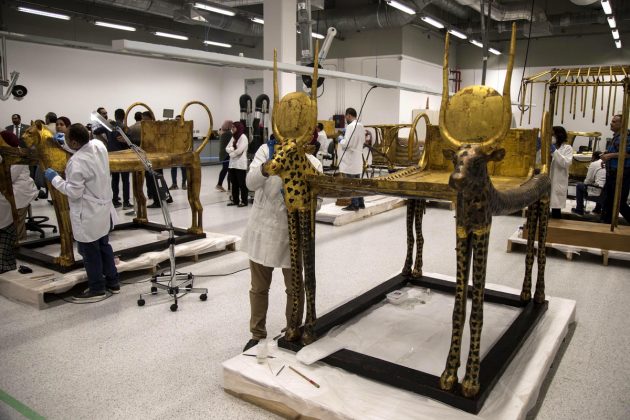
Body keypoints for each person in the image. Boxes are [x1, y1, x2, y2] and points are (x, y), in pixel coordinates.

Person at [241, 138, 323, 351]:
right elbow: (250, 183)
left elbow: (317, 203)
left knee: (294, 288)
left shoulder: (313, 162)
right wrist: (268, 167)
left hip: (292, 235)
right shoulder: (266, 151)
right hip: (262, 228)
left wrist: (302, 200)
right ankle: (257, 333)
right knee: (259, 288)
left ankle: (292, 328)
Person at [44, 124, 120, 302]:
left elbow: (73, 192)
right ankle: (113, 282)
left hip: (87, 213)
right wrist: (64, 143)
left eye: (67, 139)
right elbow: (85, 147)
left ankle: (97, 288)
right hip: (102, 209)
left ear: (74, 142)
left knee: (90, 252)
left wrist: (55, 179)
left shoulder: (75, 163)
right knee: (104, 246)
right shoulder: (99, 146)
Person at [0, 130, 38, 242]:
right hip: (11, 190)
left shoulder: (18, 155)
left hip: (20, 191)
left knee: (17, 226)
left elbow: (9, 178)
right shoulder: (7, 153)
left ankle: (19, 243)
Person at [600, 114, 630, 224]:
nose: (611, 123)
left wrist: (609, 156)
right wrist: (606, 156)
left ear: (622, 123)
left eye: (614, 122)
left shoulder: (625, 136)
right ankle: (606, 224)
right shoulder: (617, 136)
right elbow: (617, 152)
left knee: (619, 202)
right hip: (613, 172)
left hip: (621, 173)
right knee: (609, 201)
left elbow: (627, 154)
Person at [338, 107, 366, 211]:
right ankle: (361, 203)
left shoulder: (350, 126)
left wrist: (341, 140)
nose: (346, 119)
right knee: (357, 183)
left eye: (346, 117)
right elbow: (362, 141)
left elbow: (347, 144)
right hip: (357, 159)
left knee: (351, 183)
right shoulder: (361, 125)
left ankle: (354, 204)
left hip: (350, 159)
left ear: (349, 115)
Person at [106, 109, 132, 209]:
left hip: (112, 156)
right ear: (124, 116)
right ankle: (126, 202)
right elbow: (130, 142)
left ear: (115, 115)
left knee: (115, 180)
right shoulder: (125, 128)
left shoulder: (109, 127)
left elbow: (96, 131)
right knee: (125, 180)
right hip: (123, 156)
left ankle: (115, 200)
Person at [571, 151, 606, 216]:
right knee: (600, 184)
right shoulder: (606, 163)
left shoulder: (594, 164)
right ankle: (597, 209)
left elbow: (588, 181)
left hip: (599, 191)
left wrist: (586, 183)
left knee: (579, 186)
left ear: (593, 157)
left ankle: (579, 210)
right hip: (606, 190)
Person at [549, 126, 573, 219]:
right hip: (547, 180)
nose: (551, 136)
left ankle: (556, 226)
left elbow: (566, 163)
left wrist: (554, 151)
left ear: (559, 135)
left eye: (552, 134)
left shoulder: (567, 148)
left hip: (558, 181)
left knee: (556, 208)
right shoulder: (548, 147)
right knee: (544, 206)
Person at [225, 121, 249, 207]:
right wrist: (232, 149)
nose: (232, 129)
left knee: (242, 184)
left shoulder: (243, 137)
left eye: (234, 127)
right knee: (234, 183)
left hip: (240, 165)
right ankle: (235, 200)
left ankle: (244, 201)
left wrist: (231, 153)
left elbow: (240, 150)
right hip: (232, 165)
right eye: (232, 127)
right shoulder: (233, 137)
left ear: (238, 127)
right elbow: (226, 148)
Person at [170, 115, 187, 190]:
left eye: (178, 120)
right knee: (173, 168)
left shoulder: (185, 129)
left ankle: (184, 183)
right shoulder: (172, 129)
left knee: (184, 168)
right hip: (174, 151)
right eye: (176, 120)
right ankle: (174, 184)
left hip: (183, 151)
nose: (177, 121)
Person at [216, 120, 233, 192]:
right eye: (232, 125)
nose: (232, 127)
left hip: (223, 154)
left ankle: (220, 185)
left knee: (225, 169)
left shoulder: (222, 132)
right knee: (228, 170)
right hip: (226, 154)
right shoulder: (228, 134)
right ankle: (228, 187)